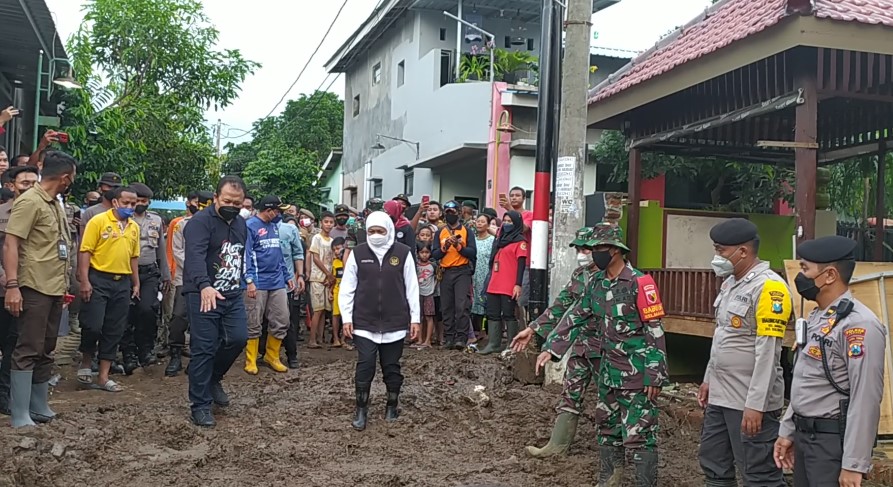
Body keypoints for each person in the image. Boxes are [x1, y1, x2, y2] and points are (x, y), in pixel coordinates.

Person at [559, 223, 667, 486]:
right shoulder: (596, 282)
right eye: (593, 248)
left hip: (637, 374)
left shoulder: (640, 283)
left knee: (640, 433)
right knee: (607, 428)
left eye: (599, 249)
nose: (594, 253)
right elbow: (576, 315)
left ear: (615, 250)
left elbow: (655, 330)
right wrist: (552, 348)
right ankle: (609, 480)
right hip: (607, 371)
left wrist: (654, 374)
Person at [774, 236, 886, 487]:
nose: (799, 276)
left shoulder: (859, 325)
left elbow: (865, 397)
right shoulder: (818, 317)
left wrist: (853, 464)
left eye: (805, 269)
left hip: (830, 444)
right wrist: (788, 429)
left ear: (830, 275)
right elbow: (807, 382)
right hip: (805, 439)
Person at [699, 218, 789, 487]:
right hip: (721, 396)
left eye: (721, 250)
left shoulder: (770, 287)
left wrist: (756, 405)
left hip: (748, 400)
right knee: (714, 464)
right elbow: (722, 337)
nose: (717, 257)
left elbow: (769, 352)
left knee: (759, 474)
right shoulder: (730, 283)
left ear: (743, 252)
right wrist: (707, 380)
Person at [512, 227, 603, 457]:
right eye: (579, 249)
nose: (582, 253)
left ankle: (616, 454)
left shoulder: (613, 277)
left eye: (586, 249)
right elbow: (561, 304)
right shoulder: (580, 275)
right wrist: (533, 328)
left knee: (611, 399)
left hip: (607, 348)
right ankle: (557, 445)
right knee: (571, 392)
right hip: (581, 343)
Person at [2, 152, 76, 427]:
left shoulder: (54, 203)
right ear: (66, 177)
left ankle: (38, 405)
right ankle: (20, 413)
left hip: (54, 286)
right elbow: (11, 244)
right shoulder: (30, 202)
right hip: (33, 286)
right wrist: (12, 285)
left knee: (47, 347)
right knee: (28, 347)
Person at [339, 211, 420, 431]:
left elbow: (412, 287)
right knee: (365, 365)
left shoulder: (403, 253)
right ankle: (361, 409)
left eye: (380, 231)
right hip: (364, 322)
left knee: (391, 367)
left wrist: (415, 319)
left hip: (395, 322)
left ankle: (392, 404)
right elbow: (347, 288)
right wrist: (346, 317)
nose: (375, 235)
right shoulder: (358, 253)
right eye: (371, 231)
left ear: (389, 230)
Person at [182, 176, 250, 427]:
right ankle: (199, 405)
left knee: (239, 338)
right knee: (204, 347)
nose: (232, 205)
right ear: (215, 198)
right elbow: (194, 257)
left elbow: (239, 256)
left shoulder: (241, 223)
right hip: (203, 294)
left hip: (231, 293)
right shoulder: (200, 223)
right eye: (227, 201)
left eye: (237, 202)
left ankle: (213, 378)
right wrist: (204, 285)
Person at [77, 186, 141, 393]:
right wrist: (85, 280)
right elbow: (85, 251)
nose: (130, 207)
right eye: (126, 203)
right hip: (98, 278)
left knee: (115, 328)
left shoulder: (134, 227)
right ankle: (86, 361)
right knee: (93, 324)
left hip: (122, 281)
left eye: (133, 204)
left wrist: (136, 282)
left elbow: (134, 257)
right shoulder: (98, 221)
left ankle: (104, 377)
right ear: (115, 202)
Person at [0, 166, 40, 416]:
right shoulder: (1, 213)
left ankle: (5, 394)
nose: (29, 187)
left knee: (15, 344)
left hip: (28, 288)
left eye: (34, 183)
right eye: (24, 183)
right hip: (3, 287)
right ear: (12, 186)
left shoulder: (44, 212)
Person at [119, 182, 171, 373]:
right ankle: (128, 353)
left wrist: (166, 274)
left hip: (149, 272)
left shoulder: (155, 220)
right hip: (125, 273)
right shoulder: (122, 218)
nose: (141, 204)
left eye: (145, 201)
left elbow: (161, 249)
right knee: (126, 314)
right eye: (138, 200)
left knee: (148, 311)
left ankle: (146, 350)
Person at [243, 196, 295, 375]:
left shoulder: (274, 226)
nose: (280, 213)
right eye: (278, 210)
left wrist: (287, 275)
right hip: (257, 282)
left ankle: (272, 356)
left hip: (277, 281)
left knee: (282, 319)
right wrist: (249, 280)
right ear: (269, 210)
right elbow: (246, 255)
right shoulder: (250, 226)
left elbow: (278, 253)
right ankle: (250, 359)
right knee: (253, 321)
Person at [165, 191, 214, 377]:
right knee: (179, 316)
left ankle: (197, 359)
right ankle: (175, 354)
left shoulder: (217, 226)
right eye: (198, 202)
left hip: (212, 280)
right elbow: (177, 251)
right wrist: (198, 268)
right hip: (185, 278)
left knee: (203, 320)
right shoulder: (181, 225)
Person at [432, 200, 476, 350]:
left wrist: (458, 246)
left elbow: (472, 252)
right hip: (446, 272)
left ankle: (461, 338)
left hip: (462, 271)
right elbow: (435, 254)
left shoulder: (466, 231)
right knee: (447, 306)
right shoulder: (440, 232)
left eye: (453, 212)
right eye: (447, 212)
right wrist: (445, 247)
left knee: (462, 305)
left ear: (459, 212)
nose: (450, 214)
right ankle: (449, 337)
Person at [480, 211, 527, 354]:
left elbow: (521, 265)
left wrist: (518, 284)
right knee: (492, 313)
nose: (506, 224)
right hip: (494, 282)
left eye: (510, 221)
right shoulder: (500, 240)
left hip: (509, 284)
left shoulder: (520, 242)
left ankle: (511, 345)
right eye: (505, 221)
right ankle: (493, 344)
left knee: (508, 314)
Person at [278, 213, 305, 368]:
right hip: (264, 283)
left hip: (288, 284)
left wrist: (300, 276)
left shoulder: (289, 230)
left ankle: (292, 356)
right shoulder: (254, 227)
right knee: (262, 322)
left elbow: (298, 253)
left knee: (288, 322)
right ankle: (265, 354)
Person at [308, 211, 336, 348]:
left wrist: (330, 276)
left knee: (324, 310)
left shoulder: (332, 241)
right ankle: (312, 339)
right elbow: (316, 258)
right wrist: (327, 273)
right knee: (317, 310)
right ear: (321, 223)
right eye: (326, 222)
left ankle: (320, 338)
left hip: (327, 279)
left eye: (331, 222)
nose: (329, 225)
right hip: (317, 278)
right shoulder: (317, 238)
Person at [471, 214, 495, 343]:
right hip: (473, 275)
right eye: (477, 221)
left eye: (482, 222)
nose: (479, 224)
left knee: (486, 302)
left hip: (486, 274)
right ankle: (478, 330)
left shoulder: (492, 240)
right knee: (475, 303)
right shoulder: (472, 240)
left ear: (487, 224)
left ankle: (486, 331)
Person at [415, 242, 437, 349]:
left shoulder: (433, 265)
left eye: (427, 252)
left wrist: (434, 288)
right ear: (418, 253)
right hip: (417, 293)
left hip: (429, 293)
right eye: (422, 252)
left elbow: (438, 277)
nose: (424, 255)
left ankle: (428, 340)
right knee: (419, 317)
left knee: (429, 316)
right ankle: (419, 339)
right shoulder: (415, 266)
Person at [330, 237, 346, 348]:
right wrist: (330, 292)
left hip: (347, 293)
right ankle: (336, 338)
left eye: (339, 248)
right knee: (335, 315)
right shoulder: (334, 263)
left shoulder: (349, 261)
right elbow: (333, 279)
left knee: (346, 315)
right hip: (337, 291)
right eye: (334, 249)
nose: (337, 251)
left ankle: (344, 338)